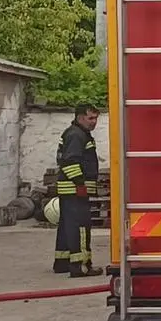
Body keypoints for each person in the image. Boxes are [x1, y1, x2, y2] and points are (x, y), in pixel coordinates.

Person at [53, 104, 103, 277]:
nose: (94, 122)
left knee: (67, 226)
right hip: (75, 189)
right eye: (90, 118)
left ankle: (62, 262)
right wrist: (80, 184)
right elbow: (70, 162)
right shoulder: (77, 135)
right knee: (81, 227)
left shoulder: (75, 133)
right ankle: (81, 266)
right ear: (80, 117)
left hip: (69, 190)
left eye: (96, 118)